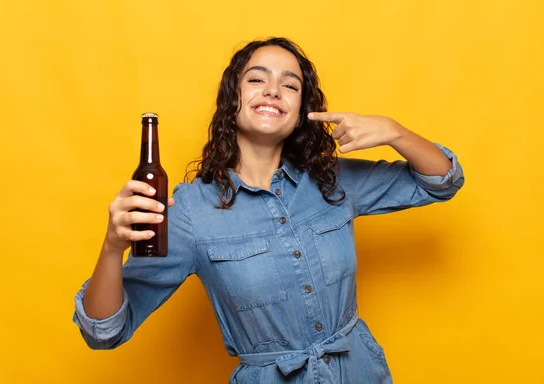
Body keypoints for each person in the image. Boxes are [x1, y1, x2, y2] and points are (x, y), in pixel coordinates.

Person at [73, 37, 465, 383]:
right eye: (257, 79)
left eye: (289, 85)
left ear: (301, 111)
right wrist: (111, 246)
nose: (273, 91)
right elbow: (104, 331)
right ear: (233, 100)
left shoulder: (332, 179)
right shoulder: (191, 211)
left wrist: (395, 132)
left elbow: (443, 180)